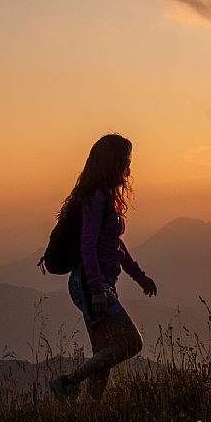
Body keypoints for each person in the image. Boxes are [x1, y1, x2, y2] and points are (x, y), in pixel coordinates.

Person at [50, 134, 157, 400]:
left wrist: (139, 276)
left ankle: (90, 415)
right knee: (132, 343)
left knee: (104, 353)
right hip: (90, 283)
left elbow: (114, 245)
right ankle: (68, 382)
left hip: (97, 282)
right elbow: (87, 246)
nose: (128, 168)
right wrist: (97, 290)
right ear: (113, 163)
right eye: (125, 161)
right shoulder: (97, 197)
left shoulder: (106, 196)